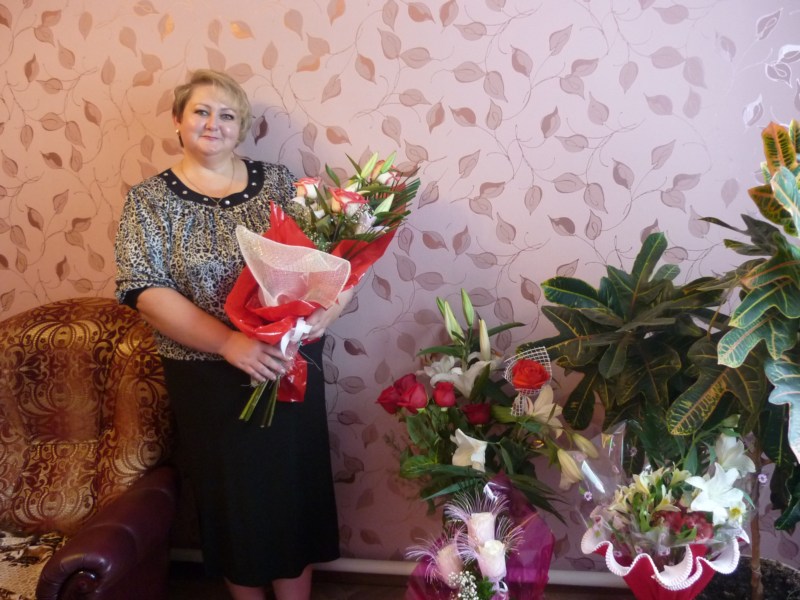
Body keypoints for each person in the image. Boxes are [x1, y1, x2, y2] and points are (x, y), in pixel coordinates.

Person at [114, 69, 349, 600]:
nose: (212, 123)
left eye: (227, 115)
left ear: (241, 128)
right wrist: (228, 343)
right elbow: (142, 289)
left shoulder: (283, 184)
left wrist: (326, 314)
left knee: (290, 492)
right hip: (206, 377)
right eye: (201, 111)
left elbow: (334, 261)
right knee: (233, 500)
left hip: (285, 365)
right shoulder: (148, 201)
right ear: (177, 120)